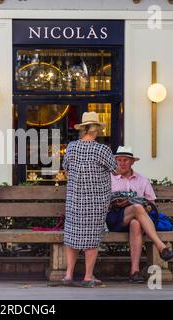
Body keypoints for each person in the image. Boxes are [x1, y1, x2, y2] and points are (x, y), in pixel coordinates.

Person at [61, 111, 117, 288]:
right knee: (91, 238)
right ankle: (87, 276)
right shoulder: (102, 149)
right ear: (95, 129)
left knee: (72, 235)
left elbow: (66, 170)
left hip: (74, 198)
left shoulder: (71, 147)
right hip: (95, 199)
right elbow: (115, 169)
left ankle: (68, 275)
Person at [106, 146, 173, 284]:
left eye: (125, 160)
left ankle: (135, 272)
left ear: (132, 162)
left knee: (136, 222)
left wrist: (146, 206)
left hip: (137, 220)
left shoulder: (142, 180)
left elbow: (152, 205)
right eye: (119, 160)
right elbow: (101, 202)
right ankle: (161, 247)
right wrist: (115, 203)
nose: (122, 163)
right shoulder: (109, 179)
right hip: (115, 219)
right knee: (137, 207)